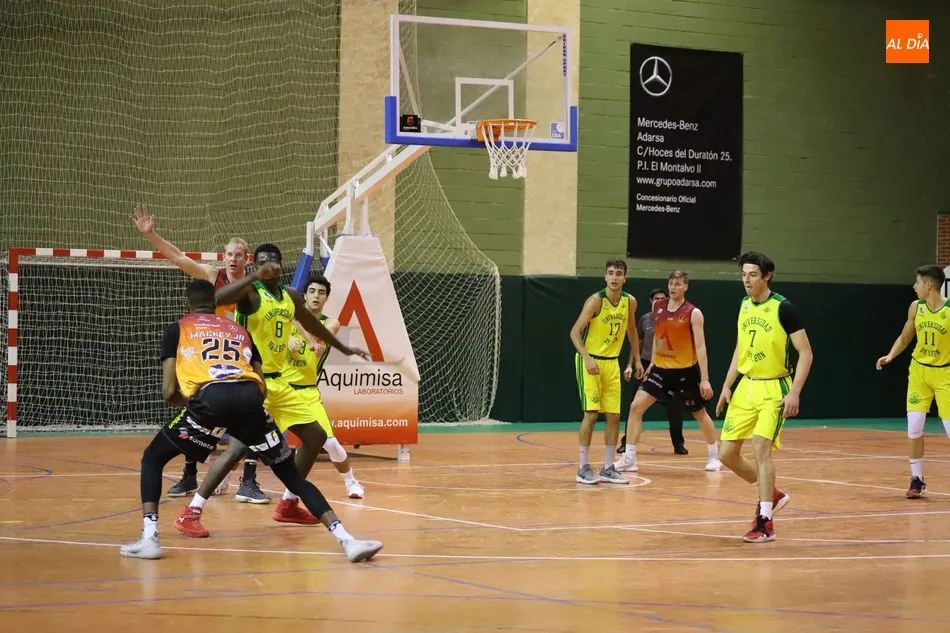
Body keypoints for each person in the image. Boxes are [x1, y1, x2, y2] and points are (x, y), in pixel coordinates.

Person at [119, 278, 383, 562]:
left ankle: (150, 537)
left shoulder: (179, 328)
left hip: (211, 398)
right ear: (216, 304)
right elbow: (262, 386)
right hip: (251, 397)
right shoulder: (239, 330)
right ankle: (347, 540)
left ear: (188, 303)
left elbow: (169, 391)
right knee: (292, 477)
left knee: (153, 458)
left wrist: (200, 407)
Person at [173, 244, 371, 538]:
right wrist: (253, 276)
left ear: (280, 264)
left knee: (316, 436)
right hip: (254, 381)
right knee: (238, 448)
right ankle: (192, 511)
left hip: (281, 384)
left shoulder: (290, 296)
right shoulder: (249, 293)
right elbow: (217, 299)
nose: (268, 264)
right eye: (262, 261)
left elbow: (314, 325)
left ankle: (289, 503)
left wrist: (344, 348)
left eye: (273, 260)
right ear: (255, 265)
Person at [132, 206, 268, 504]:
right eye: (229, 254)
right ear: (223, 257)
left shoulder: (254, 287)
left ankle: (248, 482)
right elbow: (179, 257)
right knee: (195, 411)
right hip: (207, 358)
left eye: (239, 255)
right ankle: (190, 474)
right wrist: (151, 235)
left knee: (253, 417)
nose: (233, 259)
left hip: (239, 357)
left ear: (247, 259)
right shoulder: (212, 275)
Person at [715, 252, 812, 543]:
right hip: (746, 386)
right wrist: (727, 385)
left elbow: (806, 352)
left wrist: (795, 391)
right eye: (743, 274)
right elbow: (740, 348)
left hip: (774, 388)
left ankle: (765, 521)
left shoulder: (784, 308)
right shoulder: (744, 305)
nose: (746, 280)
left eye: (753, 275)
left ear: (767, 276)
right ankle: (772, 493)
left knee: (760, 446)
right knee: (726, 454)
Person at [614, 271, 722, 474]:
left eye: (678, 284)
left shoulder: (693, 313)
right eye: (671, 283)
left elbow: (701, 347)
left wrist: (705, 379)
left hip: (685, 372)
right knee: (636, 407)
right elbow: (658, 337)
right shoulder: (658, 306)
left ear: (685, 287)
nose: (673, 287)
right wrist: (653, 363)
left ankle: (714, 455)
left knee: (699, 413)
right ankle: (629, 458)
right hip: (661, 370)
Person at [283, 274, 364, 499]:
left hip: (307, 392)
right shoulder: (285, 320)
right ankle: (226, 480)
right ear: (304, 295)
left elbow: (316, 337)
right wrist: (285, 340)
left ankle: (351, 481)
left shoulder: (331, 323)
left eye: (321, 292)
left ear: (326, 298)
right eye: (312, 291)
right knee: (249, 439)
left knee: (330, 443)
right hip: (280, 390)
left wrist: (296, 331)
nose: (316, 296)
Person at [877, 265, 950, 499]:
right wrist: (891, 355)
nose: (914, 286)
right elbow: (906, 335)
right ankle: (917, 480)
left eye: (917, 282)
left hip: (944, 374)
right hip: (919, 372)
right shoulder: (916, 307)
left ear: (929, 285)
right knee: (914, 427)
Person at [569, 259, 644, 485]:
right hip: (590, 361)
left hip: (612, 363)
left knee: (614, 416)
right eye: (610, 273)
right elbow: (574, 332)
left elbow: (632, 330)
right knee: (591, 414)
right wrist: (586, 358)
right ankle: (582, 468)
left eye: (618, 273)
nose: (614, 277)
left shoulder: (629, 302)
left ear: (624, 278)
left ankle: (608, 467)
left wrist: (637, 360)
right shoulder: (596, 300)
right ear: (605, 277)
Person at [619, 287, 687, 456]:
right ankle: (627, 443)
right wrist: (631, 364)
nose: (660, 301)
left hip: (667, 366)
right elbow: (637, 344)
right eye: (656, 298)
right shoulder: (645, 320)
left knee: (675, 406)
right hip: (645, 365)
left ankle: (678, 444)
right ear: (651, 301)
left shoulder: (674, 318)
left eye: (663, 298)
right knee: (636, 406)